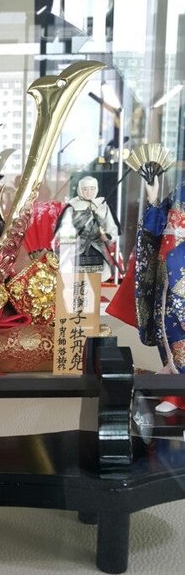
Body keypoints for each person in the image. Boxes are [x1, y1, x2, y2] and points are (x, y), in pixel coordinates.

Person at [135, 175, 185, 412]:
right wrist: (154, 200)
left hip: (180, 267)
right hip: (168, 269)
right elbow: (155, 228)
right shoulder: (180, 189)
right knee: (166, 324)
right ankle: (174, 392)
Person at [54, 175, 119, 278]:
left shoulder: (103, 207)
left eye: (92, 189)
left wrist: (107, 236)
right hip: (75, 251)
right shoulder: (72, 207)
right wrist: (71, 238)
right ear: (80, 190)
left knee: (95, 279)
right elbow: (63, 229)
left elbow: (112, 228)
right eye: (85, 189)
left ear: (96, 189)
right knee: (75, 279)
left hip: (97, 249)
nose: (89, 192)